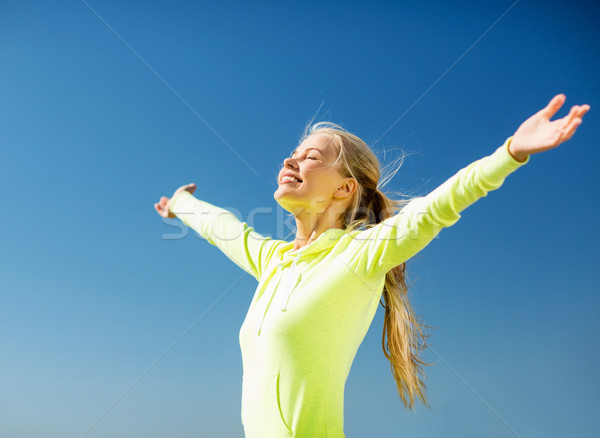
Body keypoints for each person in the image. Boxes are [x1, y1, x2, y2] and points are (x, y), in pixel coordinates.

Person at [154, 93, 589, 438]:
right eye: (293, 153)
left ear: (345, 188)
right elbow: (223, 227)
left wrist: (510, 152)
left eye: (311, 157)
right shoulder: (274, 262)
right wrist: (180, 202)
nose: (291, 160)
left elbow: (436, 208)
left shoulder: (361, 255)